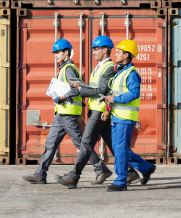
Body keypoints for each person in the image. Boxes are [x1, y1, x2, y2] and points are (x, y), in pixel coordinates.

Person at [53, 35, 139, 189]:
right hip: (96, 111)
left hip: (100, 112)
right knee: (113, 145)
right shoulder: (99, 66)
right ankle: (131, 171)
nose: (93, 52)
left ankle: (74, 176)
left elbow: (102, 90)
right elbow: (95, 88)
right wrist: (82, 86)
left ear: (105, 50)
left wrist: (81, 89)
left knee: (85, 143)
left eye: (96, 49)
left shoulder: (109, 68)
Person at [21, 39, 109, 184]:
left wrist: (61, 98)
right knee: (50, 144)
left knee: (81, 144)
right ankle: (40, 174)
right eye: (54, 53)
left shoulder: (69, 69)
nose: (55, 55)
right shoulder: (64, 68)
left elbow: (76, 89)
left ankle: (101, 169)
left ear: (66, 52)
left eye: (58, 52)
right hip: (60, 115)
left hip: (68, 114)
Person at [104, 39, 156, 192]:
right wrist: (109, 108)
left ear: (126, 55)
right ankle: (146, 168)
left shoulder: (132, 74)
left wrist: (115, 99)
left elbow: (133, 94)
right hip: (117, 116)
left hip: (125, 118)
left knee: (120, 149)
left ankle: (121, 181)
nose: (116, 54)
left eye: (119, 52)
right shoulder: (121, 72)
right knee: (120, 148)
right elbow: (115, 94)